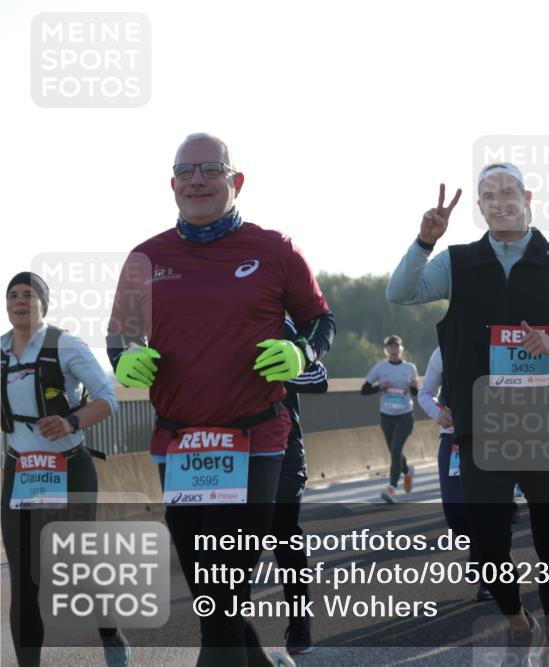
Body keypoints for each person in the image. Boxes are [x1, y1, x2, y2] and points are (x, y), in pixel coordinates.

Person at [106, 133, 335, 666]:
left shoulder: (275, 248)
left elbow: (319, 320)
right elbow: (120, 335)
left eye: (211, 169)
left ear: (236, 181)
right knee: (213, 598)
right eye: (185, 172)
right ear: (172, 185)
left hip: (255, 437)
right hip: (179, 442)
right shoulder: (146, 257)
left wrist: (300, 353)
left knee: (225, 588)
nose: (197, 180)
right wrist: (123, 358)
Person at [387, 162, 549, 667]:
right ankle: (515, 616)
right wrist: (423, 242)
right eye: (488, 194)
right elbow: (400, 292)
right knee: (488, 548)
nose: (499, 201)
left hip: (548, 427)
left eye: (508, 191)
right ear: (480, 206)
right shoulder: (457, 261)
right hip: (481, 427)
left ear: (527, 196)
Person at [2, 272, 131, 667]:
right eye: (13, 295)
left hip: (69, 469)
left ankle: (110, 634)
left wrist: (72, 421)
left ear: (44, 303)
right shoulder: (1, 351)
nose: (20, 301)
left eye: (29, 295)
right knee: (23, 582)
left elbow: (108, 399)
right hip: (21, 473)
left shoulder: (65, 344)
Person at [270, 316, 329, 655]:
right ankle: (228, 633)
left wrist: (272, 367)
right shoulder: (202, 317)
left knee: (283, 533)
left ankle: (299, 619)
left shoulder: (280, 321)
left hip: (282, 448)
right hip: (225, 450)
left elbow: (319, 378)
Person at [417, 346, 493, 602]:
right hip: (454, 440)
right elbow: (425, 393)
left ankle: (487, 578)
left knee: (486, 509)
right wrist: (438, 412)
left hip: (491, 438)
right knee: (455, 513)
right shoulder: (443, 350)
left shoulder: (495, 343)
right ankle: (475, 548)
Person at [361, 335, 419, 504]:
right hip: (387, 417)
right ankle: (407, 471)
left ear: (401, 349)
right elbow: (364, 390)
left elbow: (415, 394)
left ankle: (391, 488)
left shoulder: (410, 368)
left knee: (395, 450)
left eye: (396, 347)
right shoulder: (380, 368)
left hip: (405, 415)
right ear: (386, 350)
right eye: (390, 347)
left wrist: (415, 386)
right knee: (395, 452)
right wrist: (380, 387)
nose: (393, 350)